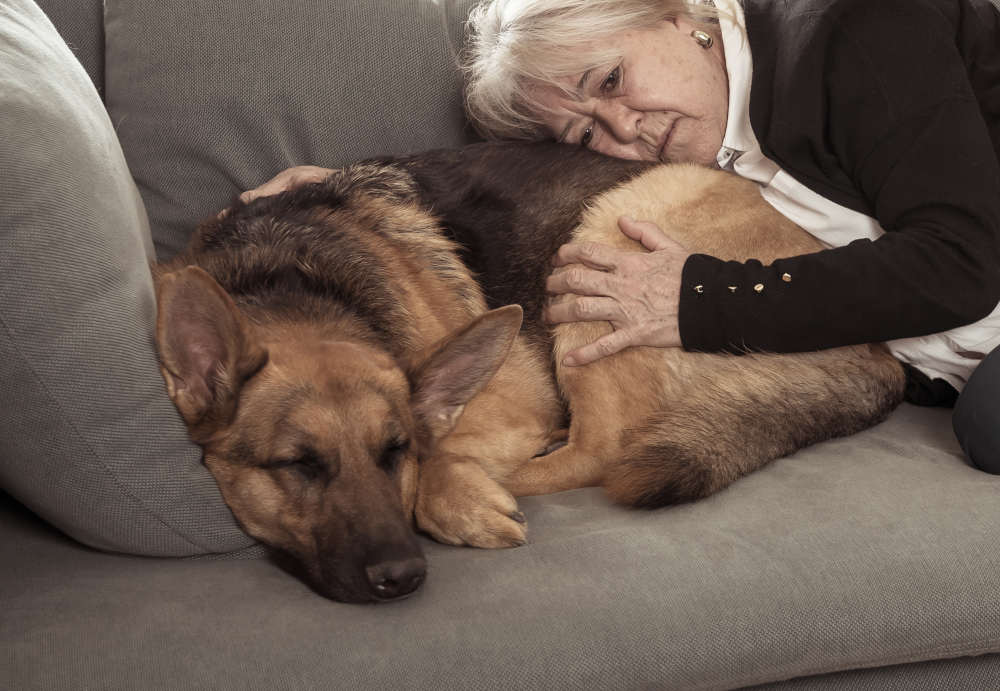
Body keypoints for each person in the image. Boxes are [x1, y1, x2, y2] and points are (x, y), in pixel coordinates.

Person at [243, 0, 1000, 473]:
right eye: (588, 131)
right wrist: (350, 187)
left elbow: (965, 259)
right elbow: (514, 183)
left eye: (610, 81)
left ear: (676, 14)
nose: (626, 129)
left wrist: (703, 296)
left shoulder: (853, 26)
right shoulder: (692, 136)